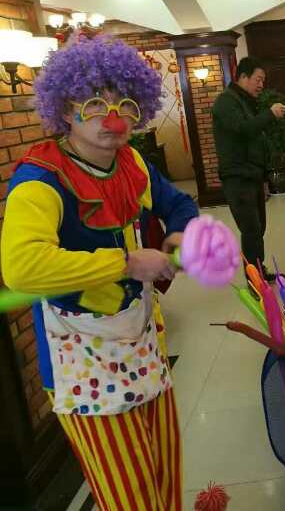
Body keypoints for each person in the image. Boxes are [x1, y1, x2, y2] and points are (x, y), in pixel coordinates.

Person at [1, 36, 199, 511]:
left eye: (125, 105)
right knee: (130, 497)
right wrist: (127, 262)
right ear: (65, 110)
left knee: (165, 473)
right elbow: (22, 268)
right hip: (82, 356)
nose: (113, 119)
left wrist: (178, 239)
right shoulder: (40, 179)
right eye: (94, 104)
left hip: (141, 340)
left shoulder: (131, 161)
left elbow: (179, 204)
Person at [212, 57, 285, 275]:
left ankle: (258, 270)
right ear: (243, 77)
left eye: (263, 80)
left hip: (252, 174)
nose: (261, 85)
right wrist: (270, 114)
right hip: (237, 176)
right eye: (258, 79)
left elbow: (254, 136)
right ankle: (255, 279)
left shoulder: (244, 101)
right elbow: (244, 129)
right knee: (251, 229)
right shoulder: (226, 102)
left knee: (258, 227)